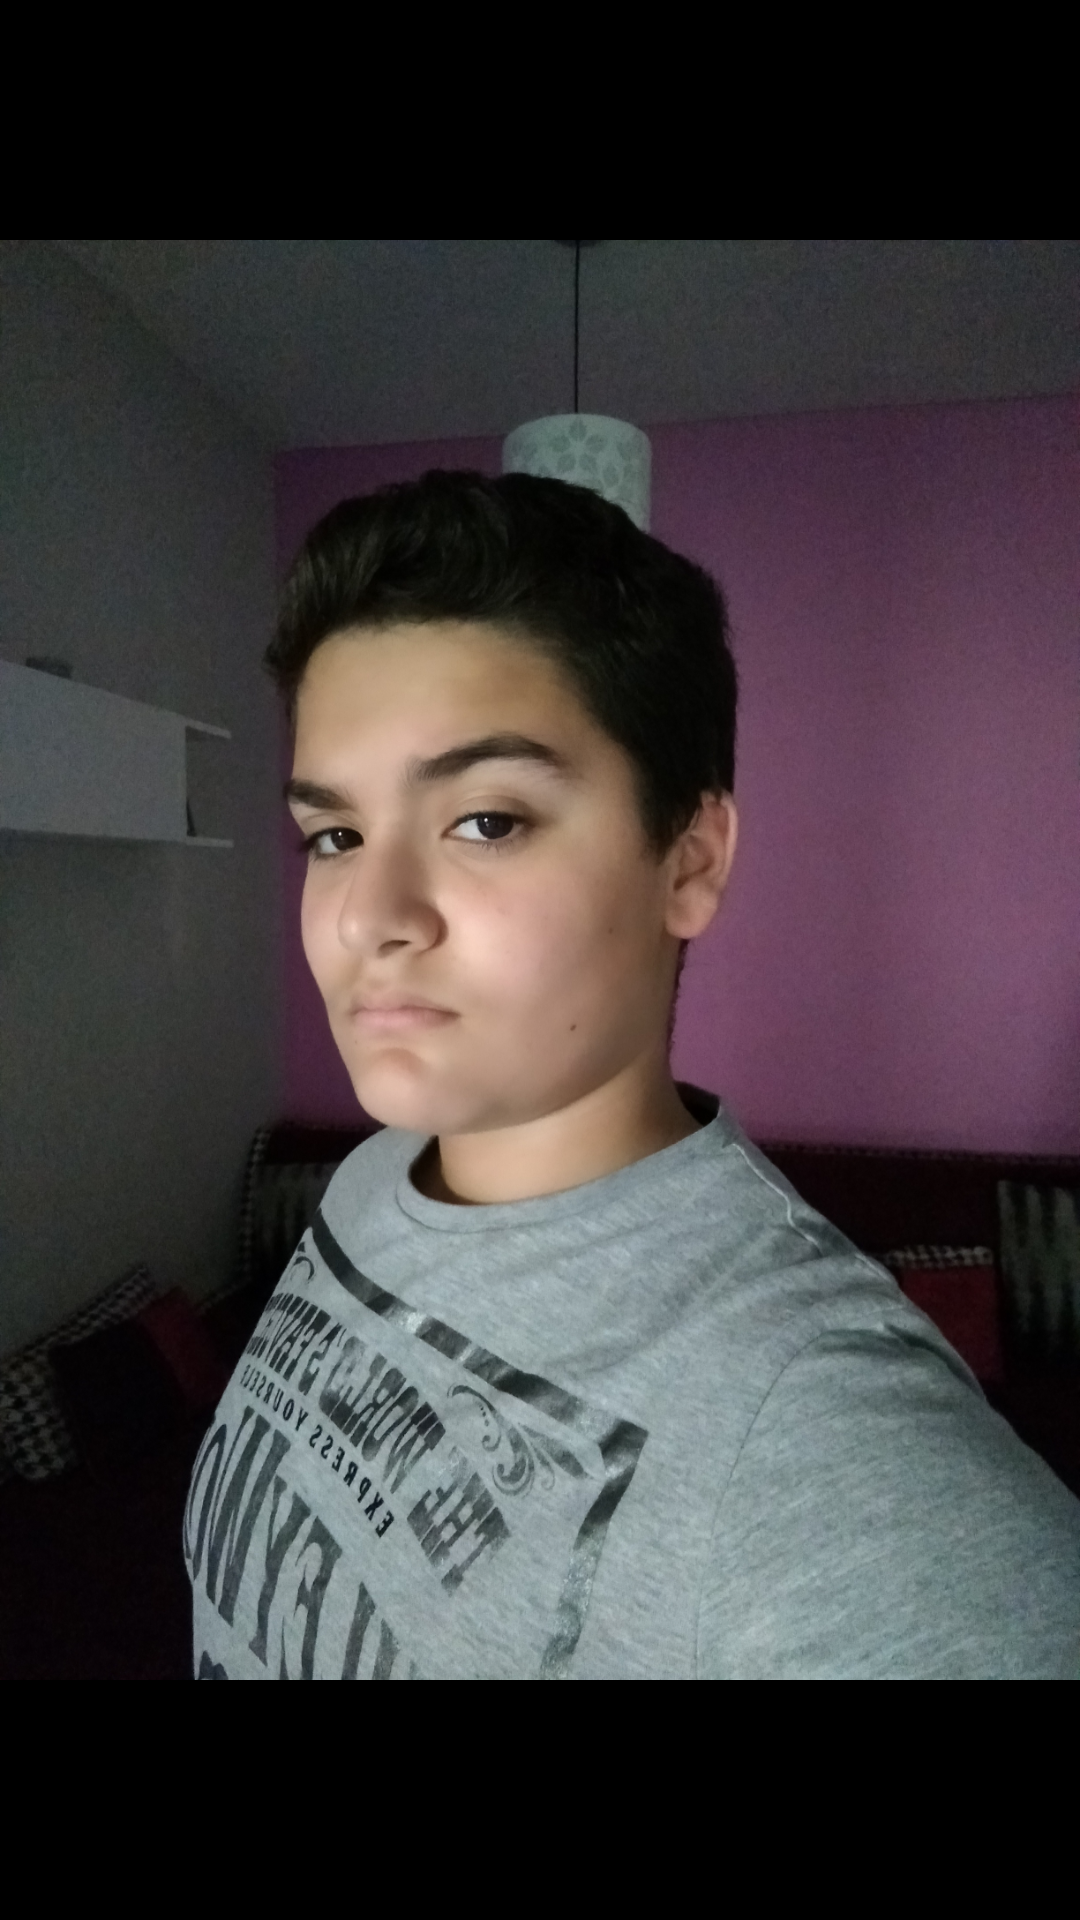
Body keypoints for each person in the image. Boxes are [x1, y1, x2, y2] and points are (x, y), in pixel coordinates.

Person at [186, 470, 1080, 1679]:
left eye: (486, 820)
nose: (369, 917)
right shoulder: (369, 1181)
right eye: (335, 835)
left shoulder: (814, 1432)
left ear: (690, 861)